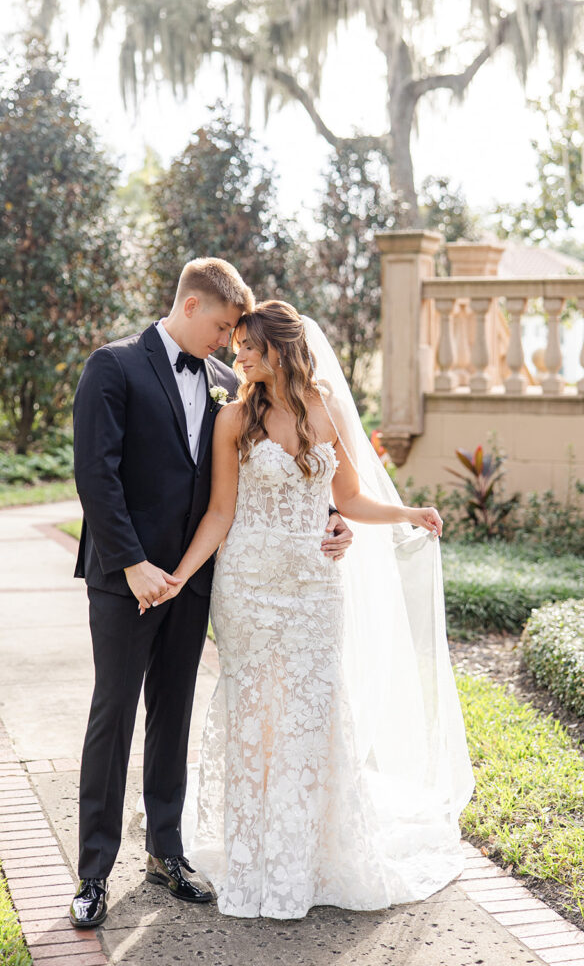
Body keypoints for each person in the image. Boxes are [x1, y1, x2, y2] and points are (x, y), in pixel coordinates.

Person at [152, 299, 475, 920]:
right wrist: (180, 576)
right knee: (255, 715)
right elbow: (221, 512)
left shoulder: (322, 408)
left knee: (311, 713)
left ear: (279, 348)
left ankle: (306, 859)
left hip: (314, 591)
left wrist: (408, 513)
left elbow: (348, 496)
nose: (237, 354)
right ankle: (254, 861)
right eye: (236, 343)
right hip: (247, 589)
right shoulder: (233, 419)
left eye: (247, 345)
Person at [69, 264, 354, 927]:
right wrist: (134, 563)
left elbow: (257, 485)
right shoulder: (111, 367)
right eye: (223, 325)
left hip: (197, 582)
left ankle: (166, 852)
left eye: (238, 332)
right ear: (190, 304)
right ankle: (92, 872)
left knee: (174, 717)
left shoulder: (234, 388)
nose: (230, 341)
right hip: (126, 581)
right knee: (112, 717)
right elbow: (95, 475)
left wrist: (331, 522)